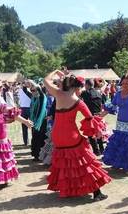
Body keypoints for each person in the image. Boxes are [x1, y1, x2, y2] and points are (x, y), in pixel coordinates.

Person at [44, 69, 111, 201]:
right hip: (71, 136)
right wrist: (95, 133)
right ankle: (97, 192)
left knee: (66, 162)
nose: (82, 91)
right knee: (86, 163)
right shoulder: (79, 102)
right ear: (76, 88)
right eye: (81, 89)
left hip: (57, 135)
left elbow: (45, 80)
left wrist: (56, 71)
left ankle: (69, 190)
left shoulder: (58, 94)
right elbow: (90, 119)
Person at [80, 78, 106, 156]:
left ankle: (96, 151)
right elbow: (103, 103)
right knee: (99, 133)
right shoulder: (99, 93)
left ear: (87, 85)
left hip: (90, 116)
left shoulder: (85, 93)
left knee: (90, 134)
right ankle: (101, 148)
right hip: (98, 115)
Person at [27, 80, 47, 161]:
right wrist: (28, 84)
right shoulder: (33, 98)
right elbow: (26, 91)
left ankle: (40, 155)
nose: (32, 92)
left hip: (41, 121)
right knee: (35, 138)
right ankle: (36, 155)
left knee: (40, 138)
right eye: (31, 91)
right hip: (34, 121)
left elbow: (40, 91)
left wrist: (33, 84)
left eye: (34, 90)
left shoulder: (42, 97)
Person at [18, 82, 32, 146]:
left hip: (25, 108)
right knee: (27, 125)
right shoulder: (29, 90)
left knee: (27, 126)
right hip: (26, 108)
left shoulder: (21, 90)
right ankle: (26, 141)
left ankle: (27, 141)